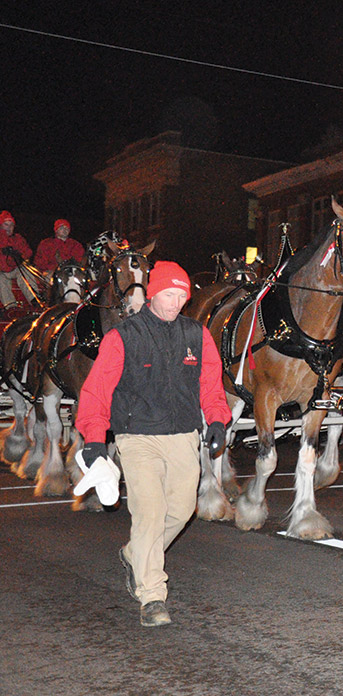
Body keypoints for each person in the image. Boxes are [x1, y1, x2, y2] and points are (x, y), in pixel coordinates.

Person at [75, 261, 231, 627]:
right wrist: (95, 441)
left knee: (181, 510)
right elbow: (96, 392)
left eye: (182, 295)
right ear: (152, 293)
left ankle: (135, 554)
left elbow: (210, 383)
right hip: (138, 436)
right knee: (149, 513)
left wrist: (218, 419)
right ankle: (152, 595)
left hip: (182, 435)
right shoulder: (124, 336)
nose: (176, 302)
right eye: (169, 294)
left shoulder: (197, 334)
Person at [0, 210, 34, 306]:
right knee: (1, 280)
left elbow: (28, 251)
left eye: (11, 225)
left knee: (26, 271)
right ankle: (10, 306)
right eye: (6, 224)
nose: (9, 228)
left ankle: (34, 299)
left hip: (15, 268)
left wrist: (20, 255)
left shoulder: (18, 238)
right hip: (1, 271)